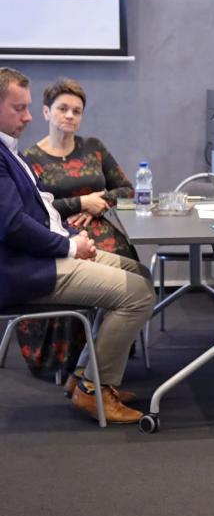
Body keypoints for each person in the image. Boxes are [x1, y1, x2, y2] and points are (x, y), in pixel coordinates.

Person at [0, 67, 155, 424]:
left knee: (139, 273)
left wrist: (72, 238)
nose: (27, 116)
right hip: (29, 268)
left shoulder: (12, 151)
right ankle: (93, 389)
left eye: (27, 107)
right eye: (19, 108)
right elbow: (12, 225)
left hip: (50, 251)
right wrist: (69, 247)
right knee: (138, 294)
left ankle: (85, 376)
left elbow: (41, 213)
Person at [17, 78, 138, 385]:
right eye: (63, 109)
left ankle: (107, 354)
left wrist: (98, 203)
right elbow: (32, 210)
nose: (70, 115)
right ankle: (73, 362)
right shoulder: (30, 158)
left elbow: (127, 190)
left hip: (99, 226)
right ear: (46, 112)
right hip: (57, 232)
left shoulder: (94, 147)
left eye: (77, 111)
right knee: (87, 270)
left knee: (131, 269)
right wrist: (79, 203)